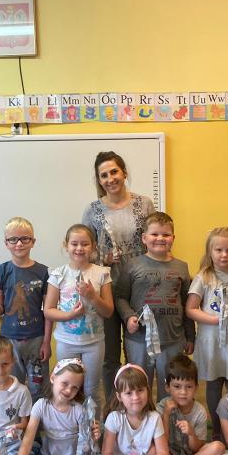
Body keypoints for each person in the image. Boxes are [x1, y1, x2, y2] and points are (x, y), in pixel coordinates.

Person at [82, 151, 155, 402]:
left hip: (139, 287)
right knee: (110, 356)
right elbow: (83, 251)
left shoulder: (144, 204)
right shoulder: (92, 210)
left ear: (124, 172)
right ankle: (114, 407)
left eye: (114, 171)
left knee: (140, 352)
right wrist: (102, 258)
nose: (110, 178)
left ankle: (140, 406)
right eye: (103, 175)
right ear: (99, 180)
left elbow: (155, 238)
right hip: (107, 290)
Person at [115, 212, 195, 400]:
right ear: (144, 238)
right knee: (139, 386)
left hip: (173, 339)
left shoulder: (182, 267)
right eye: (154, 234)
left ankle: (165, 417)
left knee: (169, 389)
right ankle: (142, 418)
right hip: (139, 340)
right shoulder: (132, 265)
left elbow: (187, 303)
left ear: (173, 238)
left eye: (166, 234)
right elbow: (120, 297)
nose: (160, 238)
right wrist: (128, 316)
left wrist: (191, 336)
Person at [186, 227, 228, 439]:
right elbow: (191, 309)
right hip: (211, 340)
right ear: (210, 251)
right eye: (219, 250)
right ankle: (217, 429)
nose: (224, 255)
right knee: (214, 383)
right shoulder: (203, 277)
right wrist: (215, 320)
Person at [1, 358, 99, 455]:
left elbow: (86, 451)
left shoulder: (79, 411)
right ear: (53, 378)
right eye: (64, 383)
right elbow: (27, 443)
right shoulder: (41, 406)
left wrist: (93, 439)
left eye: (75, 388)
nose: (68, 390)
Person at [44, 224, 113, 415]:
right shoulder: (58, 274)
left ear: (93, 247)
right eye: (74, 244)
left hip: (94, 343)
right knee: (67, 388)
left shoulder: (102, 273)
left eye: (85, 244)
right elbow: (48, 311)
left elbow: (108, 311)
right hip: (67, 343)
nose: (79, 248)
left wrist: (92, 296)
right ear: (66, 245)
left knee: (91, 389)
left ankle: (93, 427)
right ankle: (69, 425)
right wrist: (71, 315)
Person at [92, 364, 184, 455]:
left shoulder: (154, 418)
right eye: (129, 393)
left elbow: (163, 453)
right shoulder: (114, 418)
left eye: (140, 390)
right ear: (119, 396)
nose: (135, 397)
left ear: (147, 390)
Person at [0, 217, 52, 401]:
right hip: (9, 340)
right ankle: (16, 418)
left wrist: (46, 342)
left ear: (33, 241)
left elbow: (49, 311)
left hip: (36, 339)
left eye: (25, 239)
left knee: (38, 387)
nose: (19, 244)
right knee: (12, 386)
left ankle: (37, 419)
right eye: (13, 239)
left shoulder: (43, 272)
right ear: (6, 243)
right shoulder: (2, 270)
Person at [156, 354, 224, 455]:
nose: (183, 392)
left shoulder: (199, 411)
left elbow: (197, 448)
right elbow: (162, 444)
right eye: (177, 386)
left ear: (196, 387)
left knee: (218, 447)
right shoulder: (162, 407)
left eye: (189, 387)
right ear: (167, 387)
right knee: (154, 452)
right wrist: (166, 416)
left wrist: (191, 434)